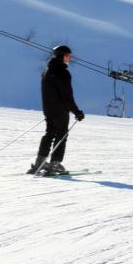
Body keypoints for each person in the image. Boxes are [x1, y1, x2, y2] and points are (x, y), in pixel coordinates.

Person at [28, 45, 85, 175]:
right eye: (68, 55)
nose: (70, 58)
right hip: (60, 110)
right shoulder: (63, 72)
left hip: (48, 108)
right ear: (62, 56)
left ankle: (39, 162)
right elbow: (67, 96)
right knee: (62, 134)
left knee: (49, 133)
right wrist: (77, 112)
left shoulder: (47, 69)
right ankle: (55, 164)